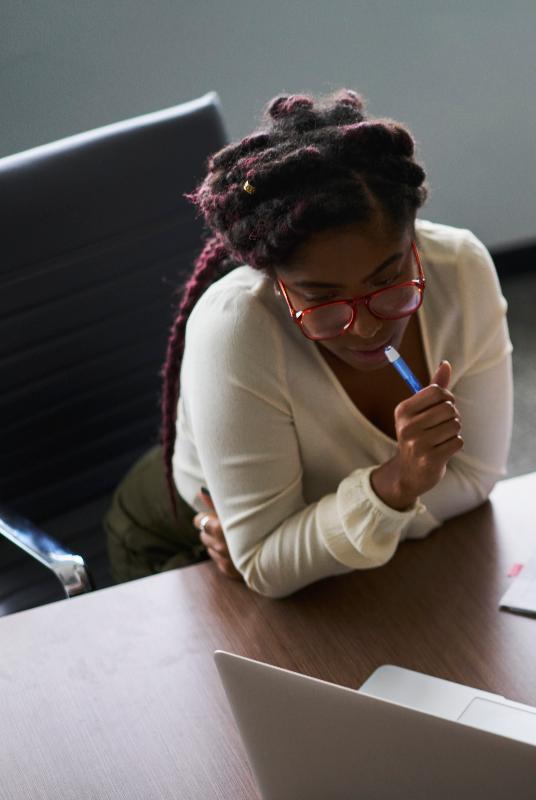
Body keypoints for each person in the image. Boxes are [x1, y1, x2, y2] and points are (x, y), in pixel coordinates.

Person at [104, 90, 512, 598]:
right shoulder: (236, 327)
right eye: (322, 299)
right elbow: (266, 566)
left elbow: (475, 481)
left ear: (414, 243)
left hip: (314, 558)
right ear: (276, 281)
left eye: (389, 280)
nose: (365, 328)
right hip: (180, 538)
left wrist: (305, 546)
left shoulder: (460, 269)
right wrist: (398, 485)